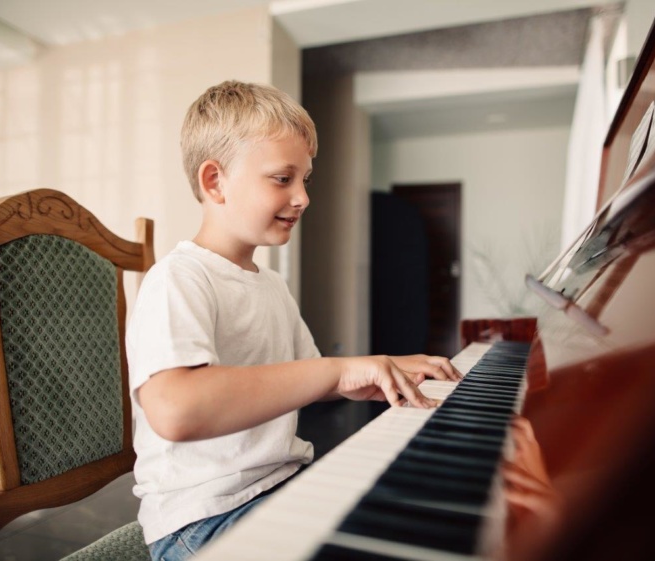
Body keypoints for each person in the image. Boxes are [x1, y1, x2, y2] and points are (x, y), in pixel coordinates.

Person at [126, 79, 461, 561]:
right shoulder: (179, 279)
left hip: (278, 486)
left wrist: (374, 367)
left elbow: (306, 376)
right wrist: (337, 371)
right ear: (214, 181)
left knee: (422, 512)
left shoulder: (271, 284)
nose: (303, 197)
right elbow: (176, 410)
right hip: (204, 520)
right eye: (283, 179)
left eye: (306, 180)